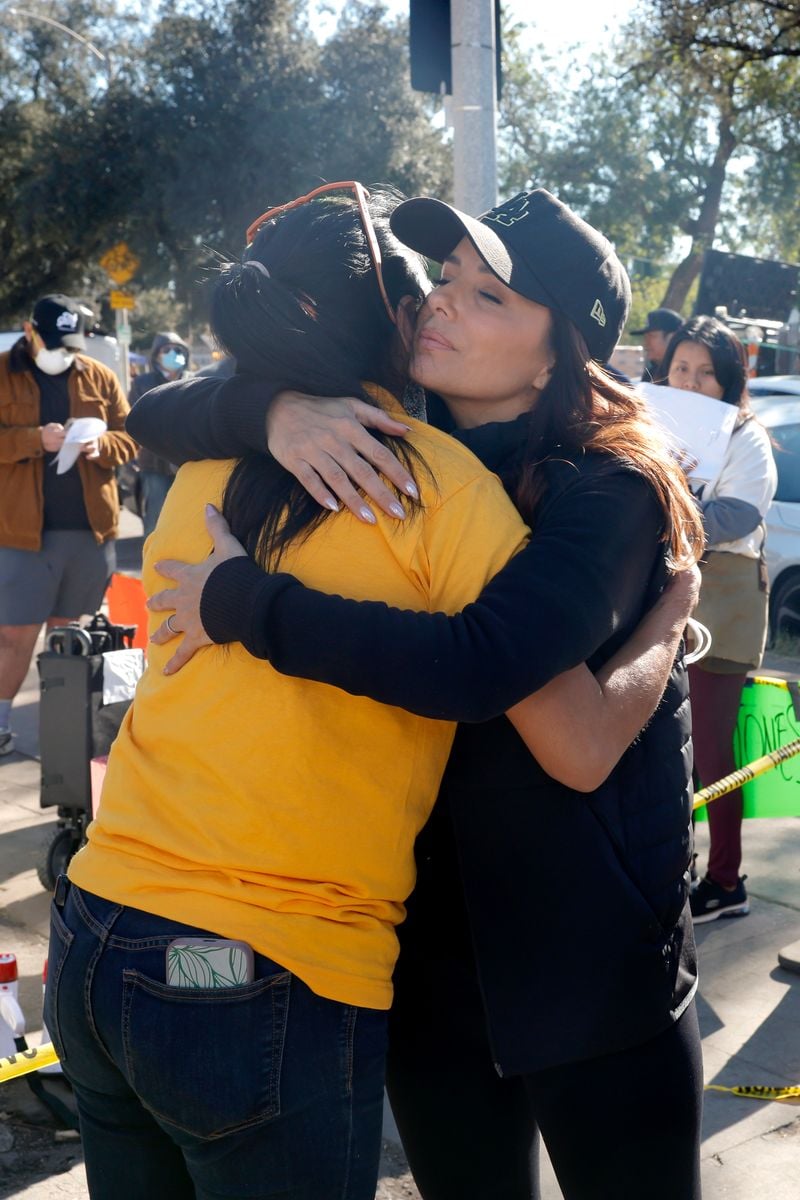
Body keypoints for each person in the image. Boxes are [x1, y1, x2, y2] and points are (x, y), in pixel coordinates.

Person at [46, 185, 682, 1200]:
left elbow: (521, 695)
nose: (439, 304)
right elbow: (159, 410)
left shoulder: (598, 487)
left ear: (560, 351)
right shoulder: (378, 442)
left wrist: (665, 629)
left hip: (571, 967)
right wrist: (274, 408)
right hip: (368, 965)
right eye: (441, 281)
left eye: (488, 299)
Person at [661, 316, 777, 923]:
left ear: (731, 380)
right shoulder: (651, 421)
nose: (692, 381)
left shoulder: (746, 436)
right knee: (660, 746)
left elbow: (733, 517)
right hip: (664, 591)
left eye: (707, 372)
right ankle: (672, 871)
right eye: (682, 367)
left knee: (709, 749)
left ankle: (726, 879)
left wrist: (664, 501)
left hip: (725, 597)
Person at [0, 294, 137, 756]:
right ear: (30, 330)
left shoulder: (99, 376)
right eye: (56, 343)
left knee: (66, 635)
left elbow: (130, 434)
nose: (65, 353)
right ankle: (0, 726)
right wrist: (33, 439)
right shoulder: (3, 372)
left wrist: (105, 448)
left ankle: (61, 738)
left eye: (72, 344)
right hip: (21, 534)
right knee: (14, 635)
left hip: (89, 530)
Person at [128, 331, 192, 536]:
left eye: (178, 350)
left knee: (190, 521)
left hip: (188, 464)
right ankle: (152, 566)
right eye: (168, 350)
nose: (174, 354)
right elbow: (135, 421)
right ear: (156, 355)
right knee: (156, 522)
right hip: (155, 465)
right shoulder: (142, 383)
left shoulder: (195, 380)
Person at [632, 306, 683, 380]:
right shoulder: (651, 373)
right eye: (645, 337)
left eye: (652, 336)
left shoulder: (683, 376)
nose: (645, 344)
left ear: (672, 338)